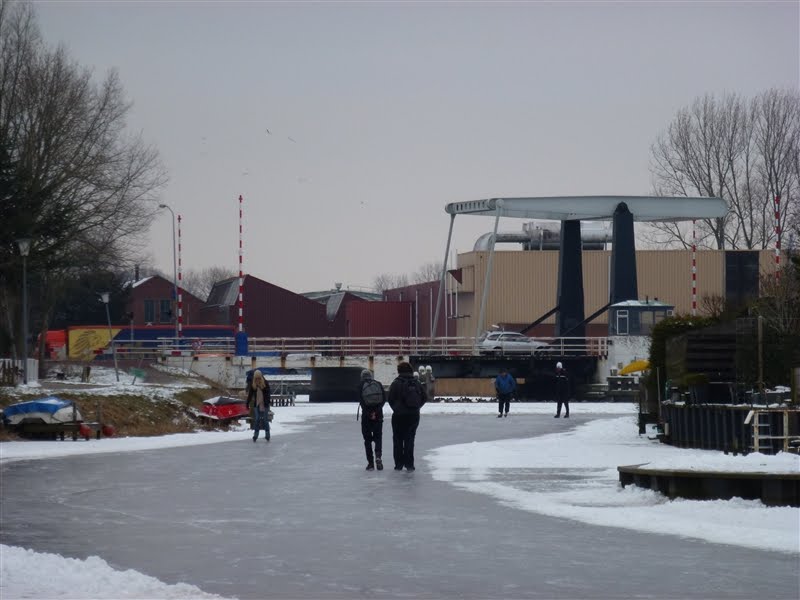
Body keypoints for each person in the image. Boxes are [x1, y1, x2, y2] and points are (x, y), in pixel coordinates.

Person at [388, 361, 426, 471]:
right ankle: (410, 464)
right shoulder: (416, 382)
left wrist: (396, 409)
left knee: (398, 440)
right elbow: (424, 397)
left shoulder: (396, 383)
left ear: (399, 371)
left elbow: (390, 399)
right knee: (410, 439)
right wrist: (417, 407)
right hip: (413, 416)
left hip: (399, 416)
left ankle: (399, 464)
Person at [358, 369, 386, 471]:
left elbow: (361, 401)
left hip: (366, 417)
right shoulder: (378, 384)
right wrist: (376, 412)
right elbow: (383, 400)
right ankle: (378, 457)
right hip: (378, 416)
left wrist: (369, 413)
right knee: (378, 438)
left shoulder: (361, 385)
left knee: (367, 440)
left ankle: (370, 463)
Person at [246, 369, 271, 441]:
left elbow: (268, 394)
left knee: (265, 420)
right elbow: (250, 395)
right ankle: (255, 435)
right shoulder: (253, 384)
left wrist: (267, 402)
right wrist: (247, 403)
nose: (257, 379)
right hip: (256, 404)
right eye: (256, 378)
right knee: (257, 419)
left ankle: (267, 434)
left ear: (261, 377)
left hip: (264, 404)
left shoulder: (265, 383)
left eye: (259, 378)